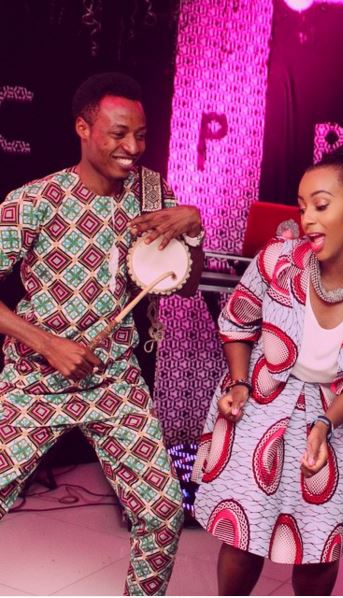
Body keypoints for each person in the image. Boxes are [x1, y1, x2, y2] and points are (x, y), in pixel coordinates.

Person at [0, 72, 204, 595]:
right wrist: (47, 343)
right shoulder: (34, 201)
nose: (132, 147)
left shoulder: (152, 193)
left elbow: (183, 285)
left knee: (162, 512)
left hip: (115, 380)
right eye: (118, 133)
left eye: (141, 134)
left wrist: (193, 229)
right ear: (83, 128)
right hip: (34, 381)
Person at [191, 140, 343, 595]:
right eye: (302, 206)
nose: (307, 218)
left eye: (320, 205)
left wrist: (324, 425)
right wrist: (238, 383)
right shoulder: (278, 259)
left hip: (329, 419)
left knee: (318, 551)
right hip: (260, 404)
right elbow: (236, 322)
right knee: (243, 538)